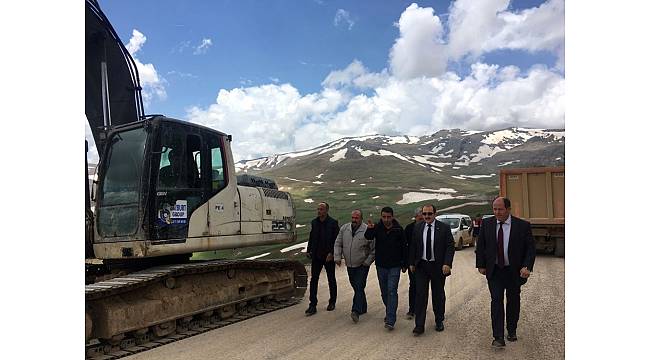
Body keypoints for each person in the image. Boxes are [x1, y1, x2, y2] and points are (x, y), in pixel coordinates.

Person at [475, 197, 536, 348]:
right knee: (496, 300)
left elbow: (530, 249)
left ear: (508, 209)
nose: (497, 212)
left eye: (500, 209)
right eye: (495, 209)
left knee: (513, 300)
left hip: (513, 271)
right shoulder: (487, 224)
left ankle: (512, 330)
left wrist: (526, 266)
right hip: (495, 270)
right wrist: (481, 265)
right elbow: (481, 245)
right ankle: (498, 337)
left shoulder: (522, 226)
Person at [408, 204, 455, 336]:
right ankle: (419, 325)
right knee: (420, 295)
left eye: (429, 214)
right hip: (422, 266)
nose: (427, 216)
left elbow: (450, 246)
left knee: (438, 295)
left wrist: (447, 263)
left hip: (438, 267)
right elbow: (413, 245)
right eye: (425, 214)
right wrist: (411, 262)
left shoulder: (444, 228)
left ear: (435, 214)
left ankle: (439, 320)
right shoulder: (418, 227)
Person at [364, 206, 407, 330]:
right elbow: (368, 237)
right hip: (381, 265)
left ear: (392, 217)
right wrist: (370, 229)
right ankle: (390, 311)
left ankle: (390, 319)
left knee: (392, 290)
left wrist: (404, 264)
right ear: (381, 217)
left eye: (388, 217)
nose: (386, 219)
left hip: (395, 265)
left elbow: (404, 247)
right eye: (384, 217)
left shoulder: (399, 229)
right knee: (384, 292)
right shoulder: (377, 227)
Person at [334, 209, 375, 323]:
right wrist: (337, 257)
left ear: (361, 218)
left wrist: (368, 261)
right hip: (350, 264)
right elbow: (338, 243)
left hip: (362, 264)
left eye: (356, 218)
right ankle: (363, 307)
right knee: (357, 287)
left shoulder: (367, 230)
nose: (354, 220)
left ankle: (355, 311)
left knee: (359, 285)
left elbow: (374, 249)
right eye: (352, 218)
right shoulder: (344, 228)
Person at [305, 202, 340, 316]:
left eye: (321, 209)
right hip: (316, 255)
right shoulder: (314, 222)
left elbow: (337, 240)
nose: (319, 211)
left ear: (326, 210)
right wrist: (309, 250)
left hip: (328, 256)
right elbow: (312, 236)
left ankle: (332, 302)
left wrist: (332, 253)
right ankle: (312, 305)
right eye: (318, 209)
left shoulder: (333, 223)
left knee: (331, 279)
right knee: (314, 280)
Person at [403, 207, 423, 319]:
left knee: (422, 286)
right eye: (419, 218)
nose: (421, 220)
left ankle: (420, 308)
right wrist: (406, 263)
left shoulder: (427, 227)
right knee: (413, 285)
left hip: (425, 262)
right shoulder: (409, 228)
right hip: (413, 263)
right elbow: (406, 247)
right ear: (415, 217)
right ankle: (412, 309)